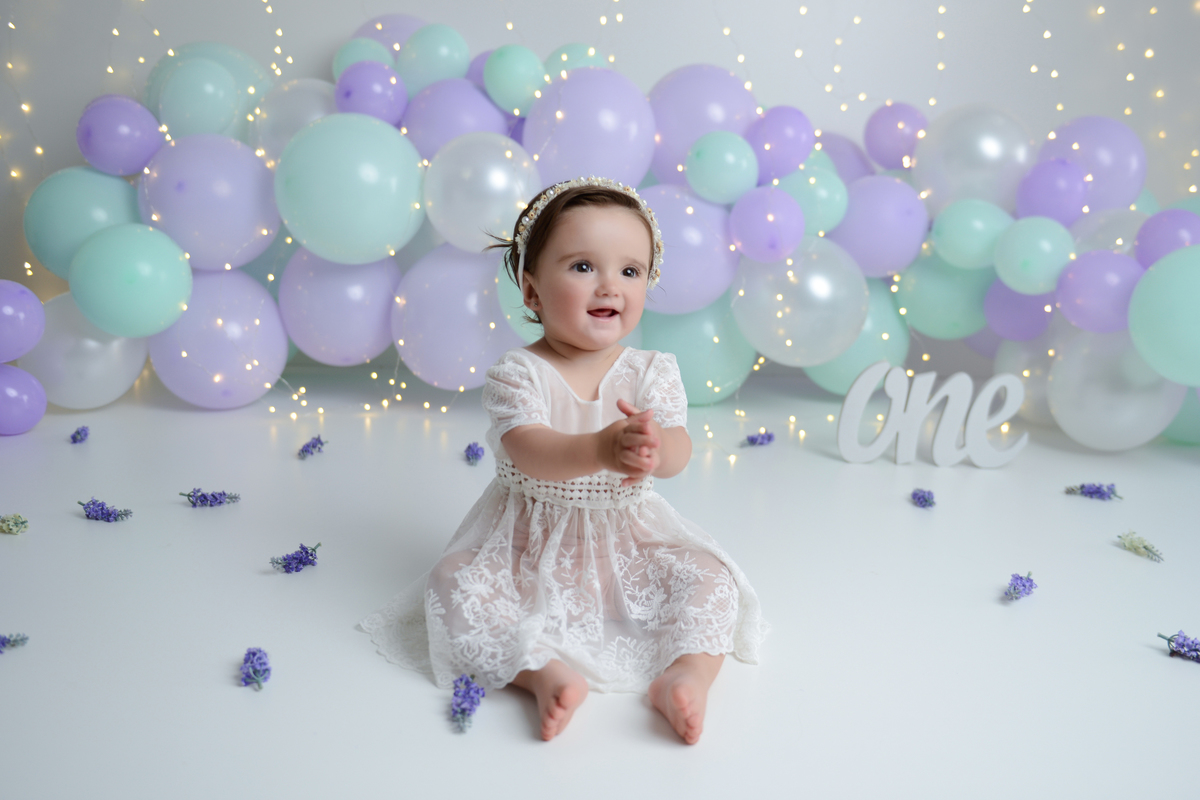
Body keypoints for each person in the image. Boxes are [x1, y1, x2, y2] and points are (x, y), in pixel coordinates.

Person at [361, 176, 766, 744]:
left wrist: (657, 448)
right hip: (526, 551)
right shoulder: (517, 374)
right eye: (582, 266)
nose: (610, 285)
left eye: (631, 271)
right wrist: (600, 447)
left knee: (710, 576)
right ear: (532, 292)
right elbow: (530, 451)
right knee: (452, 580)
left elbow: (679, 449)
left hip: (627, 546)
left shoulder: (651, 370)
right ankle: (542, 671)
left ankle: (687, 673)